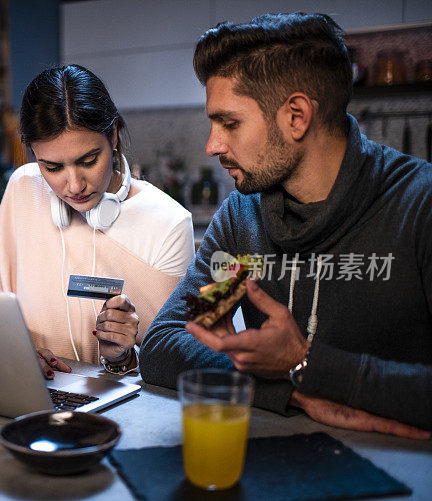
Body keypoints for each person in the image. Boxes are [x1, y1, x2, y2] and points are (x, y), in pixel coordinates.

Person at [140, 13, 432, 439]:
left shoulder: (419, 206)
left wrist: (306, 363)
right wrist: (294, 389)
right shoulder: (243, 223)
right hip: (278, 463)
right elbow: (167, 343)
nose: (212, 145)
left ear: (296, 116)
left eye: (230, 123)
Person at [0, 64, 194, 378]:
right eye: (51, 167)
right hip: (29, 392)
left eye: (88, 160)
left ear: (113, 134)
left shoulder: (168, 223)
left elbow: (179, 365)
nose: (74, 185)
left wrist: (121, 359)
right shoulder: (23, 188)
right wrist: (12, 352)